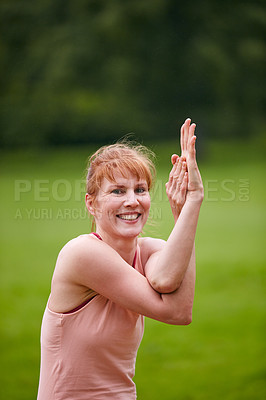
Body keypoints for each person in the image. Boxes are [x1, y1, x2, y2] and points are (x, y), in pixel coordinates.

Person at [37, 118, 204, 400]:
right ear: (92, 203)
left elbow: (167, 283)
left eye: (140, 190)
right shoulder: (82, 253)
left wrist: (187, 208)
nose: (132, 201)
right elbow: (175, 313)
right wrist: (194, 201)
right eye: (117, 191)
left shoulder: (151, 250)